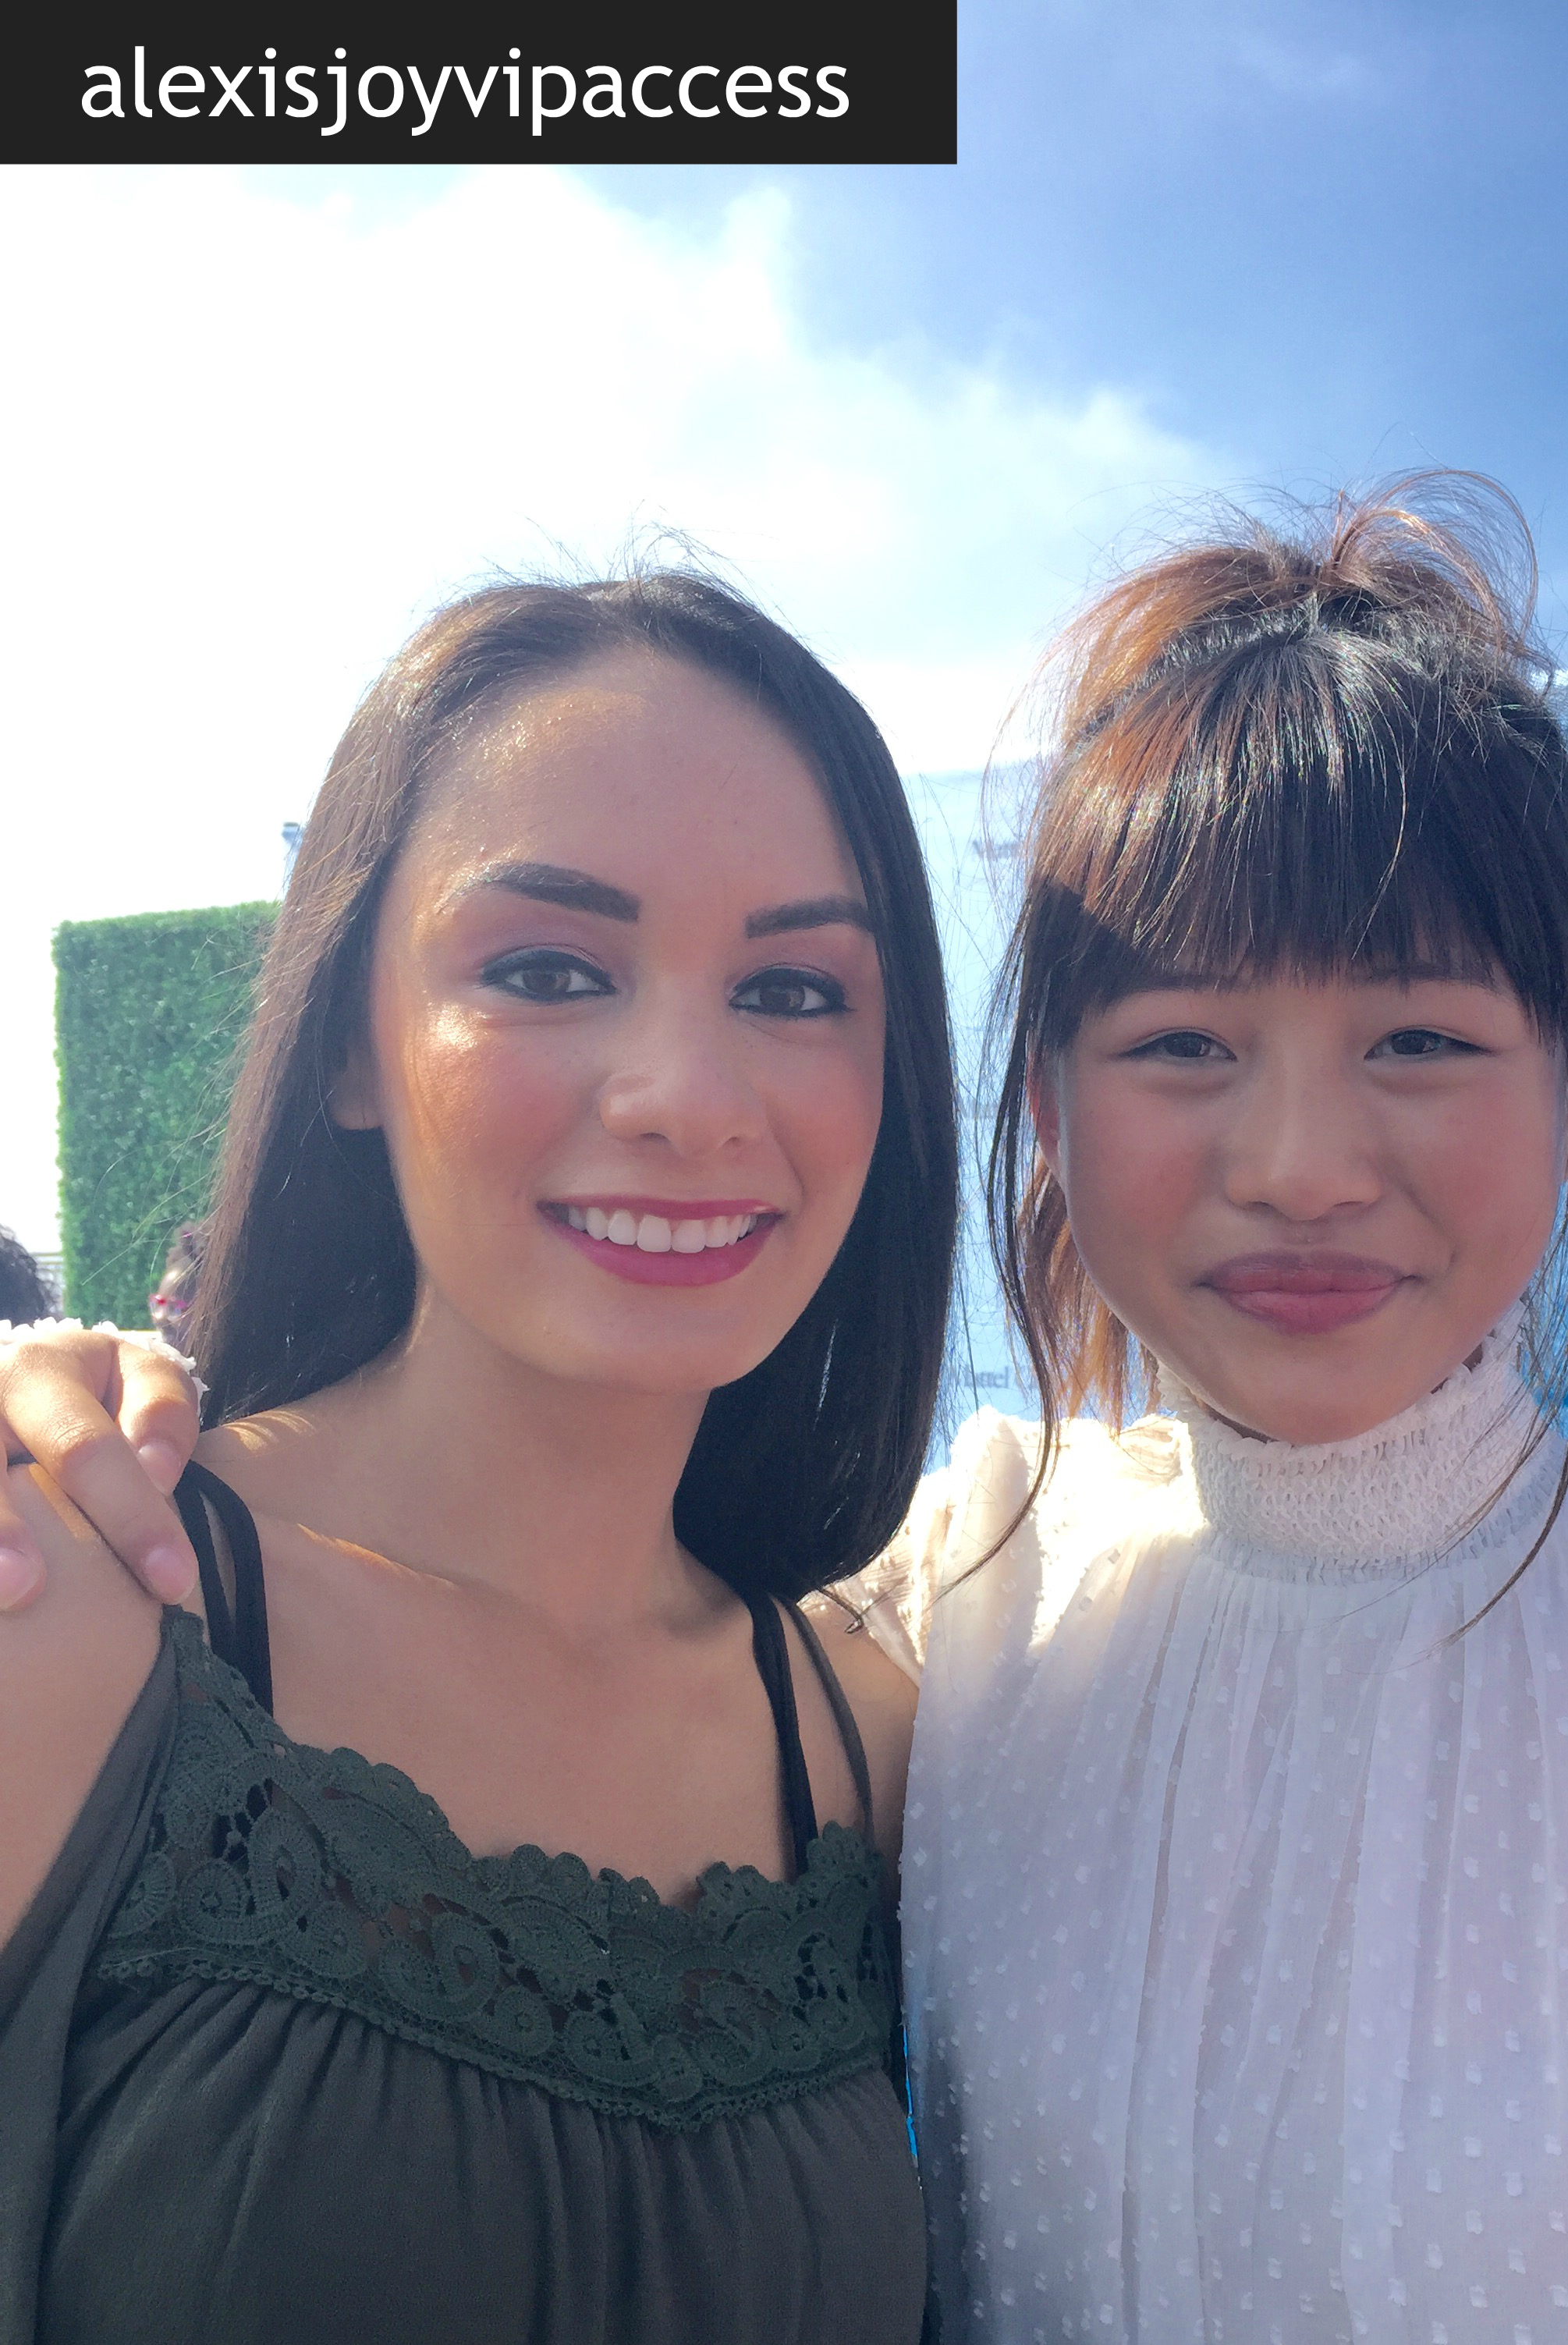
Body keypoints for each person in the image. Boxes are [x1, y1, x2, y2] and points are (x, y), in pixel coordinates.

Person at [9, 480, 1568, 2344]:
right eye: (1181, 1043)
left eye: (1419, 1037)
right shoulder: (955, 1624)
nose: (1301, 1166)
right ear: (1045, 1106)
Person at [0, 567, 957, 2343]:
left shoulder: (874, 1746)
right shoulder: (76, 1609)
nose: (686, 1095)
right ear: (350, 1045)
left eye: (792, 988)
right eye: (546, 969)